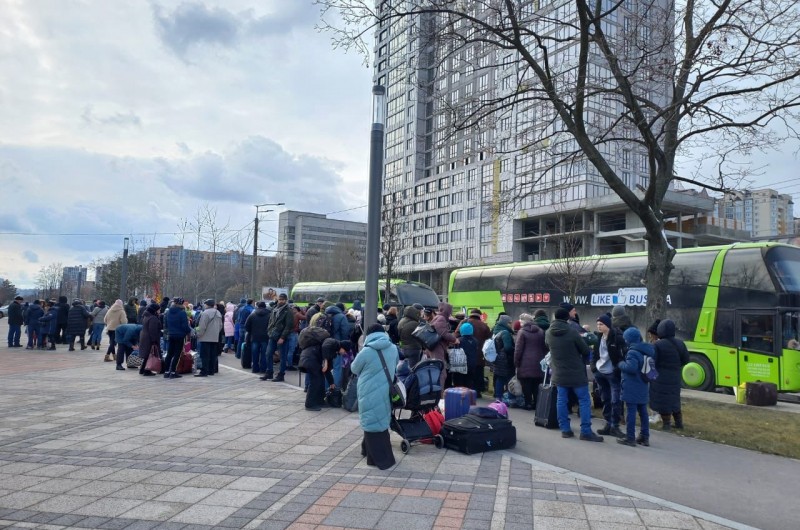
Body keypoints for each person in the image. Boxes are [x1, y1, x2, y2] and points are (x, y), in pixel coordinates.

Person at [546, 307, 603, 442]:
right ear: (567, 318)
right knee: (584, 400)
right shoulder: (572, 332)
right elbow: (584, 350)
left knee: (561, 400)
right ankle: (585, 431)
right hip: (576, 372)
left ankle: (565, 429)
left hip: (558, 372)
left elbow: (547, 345)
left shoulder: (548, 332)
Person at [350, 323, 400, 470]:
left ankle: (381, 459)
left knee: (371, 419)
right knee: (380, 418)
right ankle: (366, 450)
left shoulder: (366, 351)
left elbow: (354, 368)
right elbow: (395, 364)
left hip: (368, 390)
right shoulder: (393, 348)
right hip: (386, 389)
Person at [651, 319, 690, 430]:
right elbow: (686, 360)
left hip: (660, 378)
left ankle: (666, 424)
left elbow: (652, 361)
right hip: (675, 376)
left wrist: (651, 375)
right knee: (674, 399)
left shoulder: (657, 345)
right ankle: (679, 423)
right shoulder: (680, 343)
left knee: (663, 400)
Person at [592, 314, 626, 437]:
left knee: (615, 400)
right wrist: (594, 368)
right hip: (600, 372)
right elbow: (595, 354)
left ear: (608, 325)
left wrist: (617, 369)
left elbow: (623, 355)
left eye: (601, 324)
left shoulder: (617, 337)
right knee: (605, 399)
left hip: (612, 373)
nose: (599, 327)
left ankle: (615, 426)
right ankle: (608, 423)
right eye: (598, 325)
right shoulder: (598, 337)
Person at [617, 327, 652, 446]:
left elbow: (631, 368)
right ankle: (645, 436)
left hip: (632, 385)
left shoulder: (632, 352)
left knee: (630, 412)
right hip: (643, 384)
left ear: (629, 340)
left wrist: (621, 364)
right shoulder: (647, 350)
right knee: (643, 412)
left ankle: (630, 437)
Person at [514, 313, 548, 410]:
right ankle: (536, 403)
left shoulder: (522, 332)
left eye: (520, 321)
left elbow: (518, 349)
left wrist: (516, 362)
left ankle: (528, 403)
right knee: (536, 384)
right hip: (538, 362)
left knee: (526, 384)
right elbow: (544, 347)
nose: (519, 322)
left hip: (525, 363)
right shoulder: (541, 331)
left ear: (524, 321)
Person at [456, 309, 492, 397]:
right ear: (479, 315)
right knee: (478, 373)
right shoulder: (484, 326)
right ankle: (477, 391)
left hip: (463, 354)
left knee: (463, 375)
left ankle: (461, 391)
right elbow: (489, 339)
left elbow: (456, 334)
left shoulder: (464, 322)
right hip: (479, 354)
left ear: (471, 314)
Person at [298, 326, 333, 411]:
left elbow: (327, 369)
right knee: (315, 382)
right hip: (310, 360)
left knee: (320, 380)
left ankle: (320, 401)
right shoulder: (331, 343)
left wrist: (331, 382)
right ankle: (309, 404)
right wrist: (325, 361)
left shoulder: (320, 342)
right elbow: (327, 366)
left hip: (310, 359)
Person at [263, 293, 294, 382]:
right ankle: (269, 372)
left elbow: (288, 326)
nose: (281, 301)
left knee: (282, 356)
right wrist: (269, 331)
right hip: (272, 335)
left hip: (282, 337)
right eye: (280, 299)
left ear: (286, 300)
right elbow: (271, 321)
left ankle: (281, 374)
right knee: (268, 354)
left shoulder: (288, 311)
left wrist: (283, 337)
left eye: (283, 300)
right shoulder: (274, 309)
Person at [163, 298, 191, 378]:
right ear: (181, 304)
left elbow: (166, 324)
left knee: (169, 353)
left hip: (171, 334)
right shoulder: (182, 313)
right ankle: (173, 371)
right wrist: (188, 331)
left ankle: (166, 371)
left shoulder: (168, 312)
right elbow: (185, 326)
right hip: (180, 335)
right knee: (177, 354)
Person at [195, 299, 222, 377]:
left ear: (207, 305)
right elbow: (220, 325)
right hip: (215, 337)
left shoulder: (205, 313)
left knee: (204, 355)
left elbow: (202, 326)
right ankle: (211, 370)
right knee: (213, 355)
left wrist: (198, 334)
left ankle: (204, 371)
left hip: (205, 337)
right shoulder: (218, 313)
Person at [491, 314, 516, 398]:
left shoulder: (495, 330)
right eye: (509, 323)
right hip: (505, 359)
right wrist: (514, 348)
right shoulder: (505, 333)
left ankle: (498, 397)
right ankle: (510, 397)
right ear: (505, 323)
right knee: (509, 378)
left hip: (497, 358)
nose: (511, 324)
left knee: (499, 378)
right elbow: (507, 347)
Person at [246, 301, 272, 374]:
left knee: (255, 353)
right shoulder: (269, 315)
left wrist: (251, 332)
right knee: (264, 353)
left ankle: (255, 368)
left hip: (254, 337)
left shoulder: (252, 315)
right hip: (265, 337)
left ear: (257, 306)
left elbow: (247, 326)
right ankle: (263, 368)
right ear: (265, 307)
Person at [454, 322, 478, 389]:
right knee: (469, 382)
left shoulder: (459, 340)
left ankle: (459, 397)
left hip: (460, 366)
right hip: (472, 365)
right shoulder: (475, 341)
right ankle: (468, 397)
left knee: (459, 383)